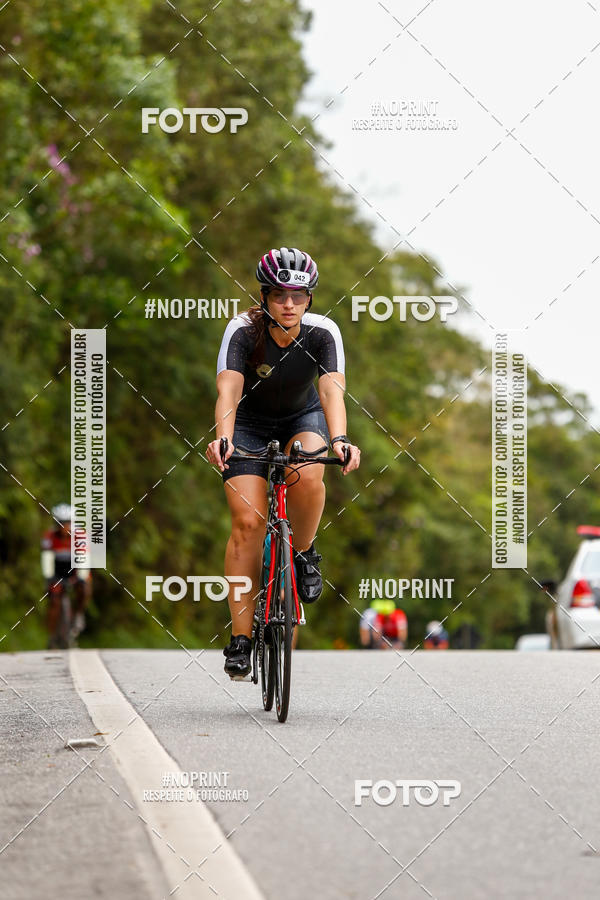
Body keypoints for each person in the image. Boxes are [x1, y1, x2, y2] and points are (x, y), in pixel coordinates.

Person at [206, 247, 361, 678]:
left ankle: (306, 553)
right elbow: (228, 391)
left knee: (310, 471)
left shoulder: (322, 333)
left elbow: (331, 391)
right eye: (278, 294)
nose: (288, 304)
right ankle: (240, 640)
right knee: (247, 525)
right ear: (264, 296)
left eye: (297, 294)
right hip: (248, 425)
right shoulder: (241, 330)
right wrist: (222, 437)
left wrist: (342, 439)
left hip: (301, 417)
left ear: (309, 297)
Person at [41, 503, 91, 648]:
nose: (64, 526)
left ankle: (78, 614)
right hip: (57, 572)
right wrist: (49, 577)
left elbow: (84, 559)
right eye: (60, 523)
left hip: (76, 570)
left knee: (84, 588)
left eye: (67, 523)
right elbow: (46, 559)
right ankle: (51, 637)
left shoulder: (80, 536)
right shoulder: (49, 537)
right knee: (54, 601)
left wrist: (80, 577)